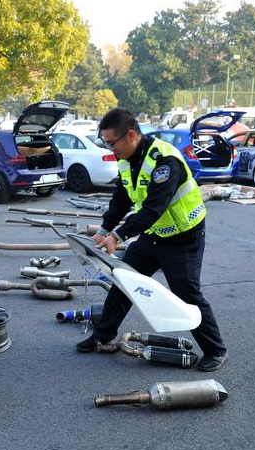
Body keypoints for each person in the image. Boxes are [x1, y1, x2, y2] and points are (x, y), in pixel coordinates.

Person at [77, 107, 228, 372]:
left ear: (131, 135)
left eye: (112, 142)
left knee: (187, 294)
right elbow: (122, 198)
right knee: (123, 281)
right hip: (154, 235)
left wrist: (118, 235)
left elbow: (153, 208)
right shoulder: (127, 160)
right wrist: (104, 229)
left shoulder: (164, 161)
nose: (111, 149)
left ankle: (215, 350)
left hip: (183, 238)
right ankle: (103, 335)